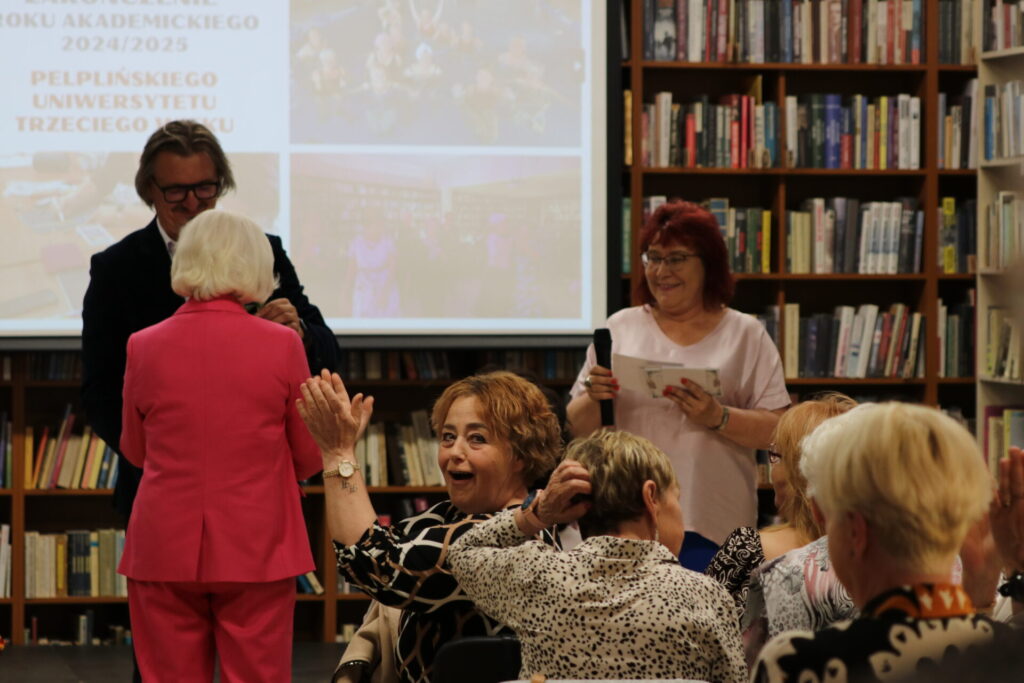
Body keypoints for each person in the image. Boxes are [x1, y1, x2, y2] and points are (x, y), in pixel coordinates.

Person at [82, 119, 339, 521]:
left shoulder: (263, 250)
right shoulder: (116, 268)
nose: (192, 204)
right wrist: (163, 463)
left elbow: (329, 352)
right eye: (176, 191)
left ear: (221, 184)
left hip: (256, 492)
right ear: (149, 190)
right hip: (159, 492)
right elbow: (101, 391)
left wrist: (301, 333)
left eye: (205, 188)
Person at [117, 210, 322, 682]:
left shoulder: (142, 345)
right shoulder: (282, 344)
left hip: (162, 543)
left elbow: (135, 450)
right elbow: (308, 455)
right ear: (255, 265)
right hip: (260, 543)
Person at [297, 370, 562, 683]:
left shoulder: (515, 538)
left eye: (477, 439)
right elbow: (373, 554)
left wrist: (338, 455)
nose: (454, 452)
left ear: (521, 455)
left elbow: (376, 565)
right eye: (448, 437)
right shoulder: (446, 515)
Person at [567, 199, 789, 571]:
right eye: (653, 258)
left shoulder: (745, 333)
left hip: (716, 520)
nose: (661, 271)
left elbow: (779, 431)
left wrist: (718, 416)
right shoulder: (621, 327)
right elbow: (577, 426)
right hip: (627, 520)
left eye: (676, 259)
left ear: (708, 263)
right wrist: (594, 396)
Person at [447, 429, 747, 682]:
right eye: (676, 499)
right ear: (650, 497)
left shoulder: (535, 578)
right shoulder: (705, 596)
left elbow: (462, 551)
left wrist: (538, 513)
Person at [752, 402, 1012, 682]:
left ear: (854, 531)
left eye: (827, 516)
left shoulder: (796, 663)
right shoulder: (1008, 651)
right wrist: (982, 601)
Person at [705, 392, 857, 614]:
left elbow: (705, 626)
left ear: (800, 469)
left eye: (776, 455)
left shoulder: (747, 549)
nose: (773, 470)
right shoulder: (882, 557)